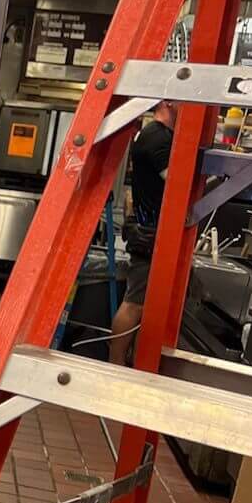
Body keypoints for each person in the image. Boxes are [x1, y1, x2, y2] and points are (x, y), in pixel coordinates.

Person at [109, 99, 177, 364]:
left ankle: (133, 362)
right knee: (135, 302)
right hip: (150, 232)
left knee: (144, 304)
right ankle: (115, 363)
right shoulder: (157, 137)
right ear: (168, 102)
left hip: (152, 229)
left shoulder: (159, 135)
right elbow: (177, 182)